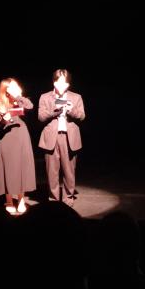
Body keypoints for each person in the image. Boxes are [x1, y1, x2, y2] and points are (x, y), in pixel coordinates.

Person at [38, 69, 86, 206]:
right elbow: (41, 117)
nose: (61, 84)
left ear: (68, 83)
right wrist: (56, 109)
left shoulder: (76, 97)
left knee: (69, 171)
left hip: (69, 138)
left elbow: (82, 116)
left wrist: (71, 110)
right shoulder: (45, 97)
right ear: (54, 82)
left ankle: (68, 198)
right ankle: (53, 199)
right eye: (58, 81)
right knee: (51, 172)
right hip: (51, 138)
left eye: (64, 82)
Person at [0, 77, 36, 214]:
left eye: (15, 87)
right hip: (7, 139)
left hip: (22, 138)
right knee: (8, 168)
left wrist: (17, 96)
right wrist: (4, 120)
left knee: (21, 167)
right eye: (11, 88)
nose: (15, 89)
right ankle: (9, 200)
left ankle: (21, 199)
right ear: (5, 91)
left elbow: (30, 106)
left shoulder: (20, 101)